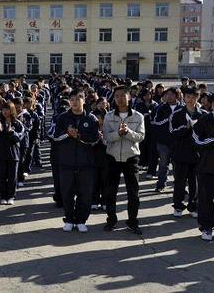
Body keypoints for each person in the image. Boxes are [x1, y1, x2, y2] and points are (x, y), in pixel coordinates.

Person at [51, 89, 100, 233]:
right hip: (66, 162)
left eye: (78, 98)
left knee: (85, 193)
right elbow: (54, 136)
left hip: (86, 163)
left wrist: (79, 135)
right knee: (67, 193)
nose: (74, 102)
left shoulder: (91, 119)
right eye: (72, 99)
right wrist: (67, 134)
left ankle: (81, 220)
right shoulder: (62, 118)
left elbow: (95, 139)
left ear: (84, 100)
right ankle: (69, 219)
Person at [102, 86, 145, 235]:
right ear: (114, 99)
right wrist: (118, 134)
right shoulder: (108, 116)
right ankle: (111, 220)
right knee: (110, 191)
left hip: (131, 157)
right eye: (117, 96)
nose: (120, 98)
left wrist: (127, 132)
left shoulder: (138, 116)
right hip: (112, 157)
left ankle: (132, 221)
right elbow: (106, 137)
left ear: (129, 97)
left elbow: (140, 136)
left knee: (133, 192)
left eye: (123, 95)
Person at [170, 87, 206, 218]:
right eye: (188, 97)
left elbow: (207, 134)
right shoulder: (177, 113)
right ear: (183, 98)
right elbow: (172, 132)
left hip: (197, 155)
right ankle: (178, 206)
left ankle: (193, 206)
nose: (190, 100)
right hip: (180, 154)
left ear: (197, 98)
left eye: (193, 97)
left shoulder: (203, 114)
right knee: (179, 182)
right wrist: (186, 127)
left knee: (194, 183)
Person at [192, 93, 214, 241]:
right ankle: (206, 228)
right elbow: (196, 140)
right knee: (206, 200)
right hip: (208, 166)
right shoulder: (204, 120)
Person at [151, 87, 182, 192]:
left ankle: (178, 185)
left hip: (177, 142)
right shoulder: (161, 108)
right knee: (163, 163)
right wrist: (167, 119)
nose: (169, 96)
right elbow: (156, 122)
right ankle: (160, 184)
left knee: (177, 164)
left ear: (177, 96)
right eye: (167, 94)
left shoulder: (182, 107)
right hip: (163, 141)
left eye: (171, 94)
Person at [0, 101, 24, 205]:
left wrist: (12, 131)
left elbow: (19, 137)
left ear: (12, 110)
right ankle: (3, 196)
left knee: (12, 177)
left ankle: (11, 196)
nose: (5, 112)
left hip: (13, 154)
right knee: (1, 176)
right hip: (1, 153)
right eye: (3, 109)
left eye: (7, 109)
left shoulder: (17, 123)